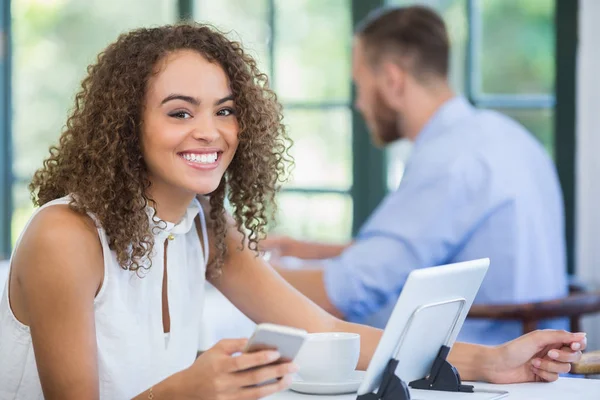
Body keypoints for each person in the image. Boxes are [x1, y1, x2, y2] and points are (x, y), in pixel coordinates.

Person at [0, 23, 585, 400]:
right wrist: (191, 390)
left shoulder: (205, 225)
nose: (210, 131)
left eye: (225, 111)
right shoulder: (65, 236)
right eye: (180, 112)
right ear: (125, 126)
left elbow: (325, 330)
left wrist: (491, 360)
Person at [265, 5, 568, 345]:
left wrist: (238, 270)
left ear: (393, 81)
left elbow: (347, 290)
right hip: (523, 348)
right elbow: (416, 248)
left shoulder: (449, 159)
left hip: (470, 360)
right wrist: (301, 249)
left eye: (360, 86)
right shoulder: (504, 136)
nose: (360, 104)